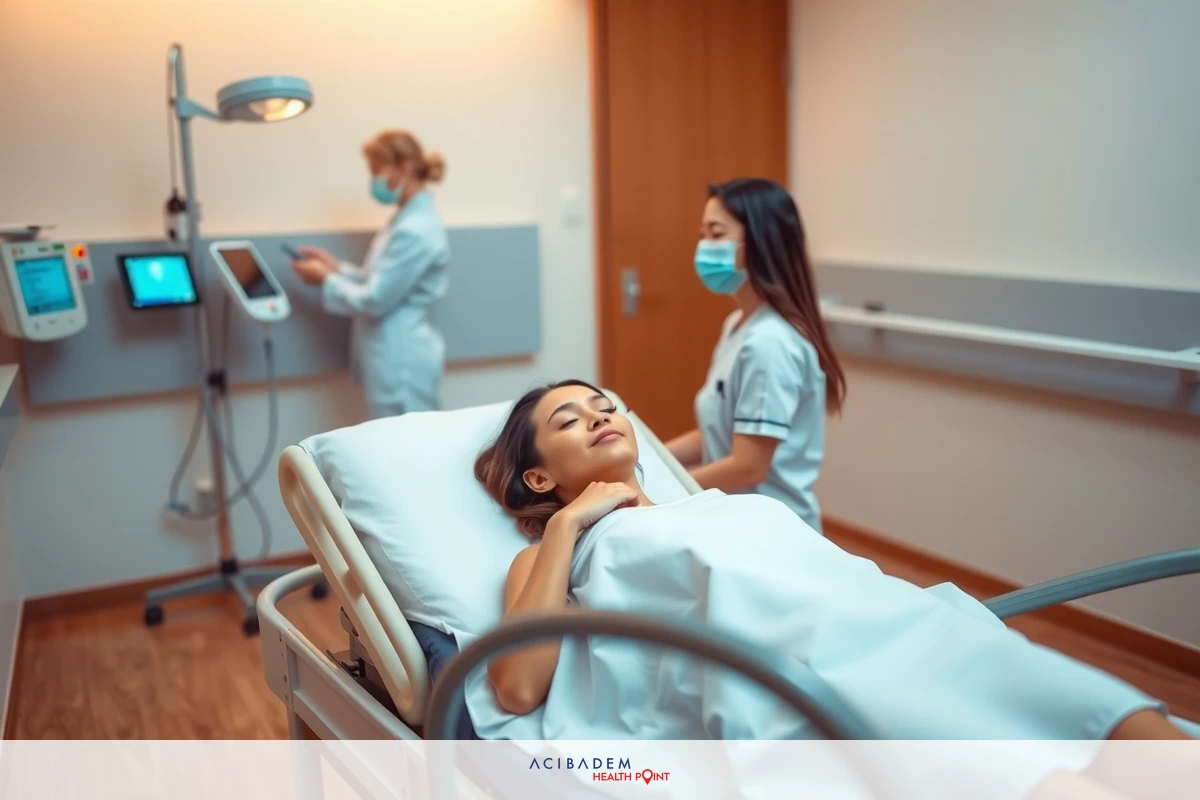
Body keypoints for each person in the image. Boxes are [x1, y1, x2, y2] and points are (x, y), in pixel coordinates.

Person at [472, 380, 1191, 749]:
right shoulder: (552, 552)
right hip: (799, 670)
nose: (600, 416)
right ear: (539, 478)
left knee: (1098, 713)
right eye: (569, 420)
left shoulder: (718, 504)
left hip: (900, 624)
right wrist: (569, 524)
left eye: (605, 407)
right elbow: (516, 688)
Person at [665, 178, 845, 533]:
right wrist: (647, 457)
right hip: (737, 521)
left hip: (773, 532)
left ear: (761, 242)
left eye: (716, 234)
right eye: (702, 233)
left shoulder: (770, 342)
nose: (703, 246)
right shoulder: (738, 325)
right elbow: (717, 434)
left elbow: (748, 467)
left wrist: (665, 495)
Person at [291, 129, 450, 419]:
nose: (373, 181)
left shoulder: (415, 230)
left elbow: (375, 300)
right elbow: (380, 279)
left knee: (408, 451)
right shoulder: (406, 221)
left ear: (403, 169)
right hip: (392, 356)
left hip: (402, 365)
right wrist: (336, 269)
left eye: (376, 171)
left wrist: (326, 280)